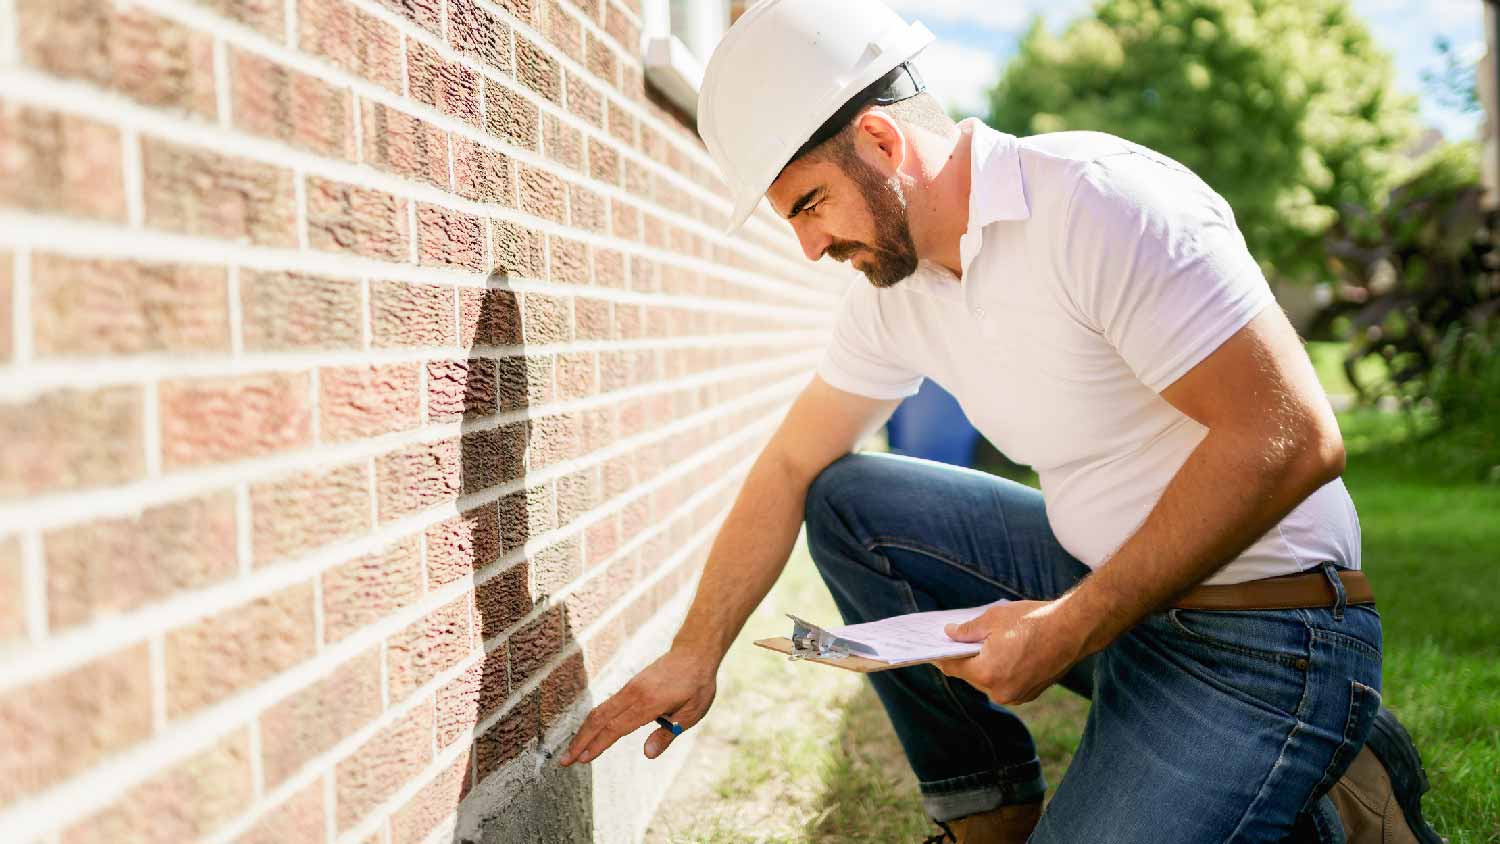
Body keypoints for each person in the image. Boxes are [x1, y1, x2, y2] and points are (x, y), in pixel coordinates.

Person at [559, 1, 1443, 841]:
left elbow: (1291, 439)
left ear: (879, 139)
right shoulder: (895, 289)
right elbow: (792, 464)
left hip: (1268, 636)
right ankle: (990, 816)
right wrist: (695, 649)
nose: (810, 247)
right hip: (1119, 599)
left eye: (810, 204)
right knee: (850, 499)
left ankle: (1322, 766)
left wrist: (1067, 626)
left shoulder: (1103, 203)